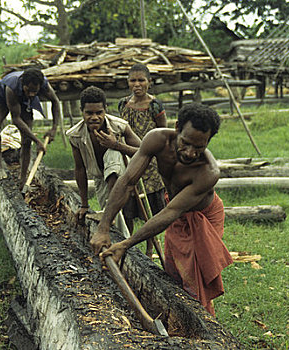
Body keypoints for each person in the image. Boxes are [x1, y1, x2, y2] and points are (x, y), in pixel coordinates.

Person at [90, 103, 233, 316]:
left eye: (199, 148)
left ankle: (206, 327)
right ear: (177, 128)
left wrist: (126, 244)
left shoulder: (208, 172)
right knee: (175, 270)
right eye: (185, 143)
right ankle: (178, 315)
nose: (190, 153)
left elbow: (171, 212)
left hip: (202, 215)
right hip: (175, 208)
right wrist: (103, 227)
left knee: (196, 278)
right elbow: (128, 180)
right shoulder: (157, 139)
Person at [66, 86, 141, 226]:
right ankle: (119, 243)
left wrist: (116, 145)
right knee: (114, 223)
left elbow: (143, 152)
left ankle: (109, 210)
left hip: (125, 175)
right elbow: (80, 169)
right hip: (100, 178)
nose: (94, 117)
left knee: (112, 153)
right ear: (81, 111)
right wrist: (84, 204)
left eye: (99, 113)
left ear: (105, 110)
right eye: (89, 113)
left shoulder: (119, 126)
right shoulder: (75, 135)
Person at [118, 63, 167, 246]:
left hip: (151, 162)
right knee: (129, 203)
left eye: (141, 80)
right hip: (128, 158)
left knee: (151, 207)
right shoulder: (124, 103)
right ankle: (126, 242)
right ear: (128, 82)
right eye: (133, 80)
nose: (137, 84)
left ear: (149, 82)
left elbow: (163, 133)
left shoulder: (154, 105)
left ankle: (150, 246)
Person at [0, 68, 62, 185]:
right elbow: (16, 119)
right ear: (23, 83)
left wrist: (54, 128)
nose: (32, 94)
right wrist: (38, 141)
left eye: (35, 91)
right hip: (3, 96)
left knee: (26, 140)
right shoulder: (11, 88)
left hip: (23, 100)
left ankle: (23, 179)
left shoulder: (43, 84)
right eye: (29, 90)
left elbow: (55, 101)